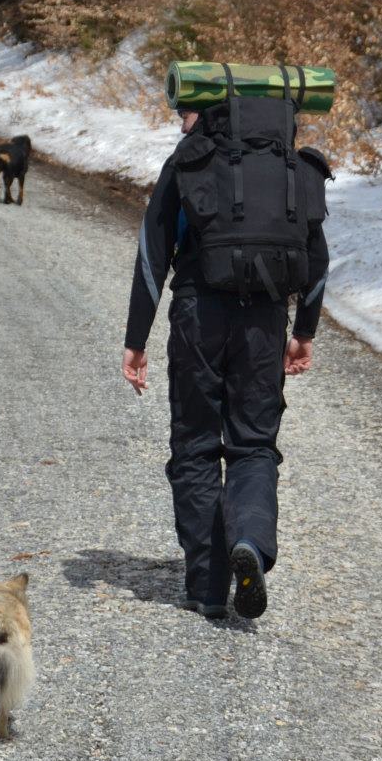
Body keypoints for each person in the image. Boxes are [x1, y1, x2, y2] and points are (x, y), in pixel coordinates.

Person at [123, 98, 330, 621]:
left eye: (183, 113)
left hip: (198, 314)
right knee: (254, 445)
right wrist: (303, 330)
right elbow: (317, 258)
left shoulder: (188, 161)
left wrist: (136, 337)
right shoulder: (293, 166)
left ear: (208, 114)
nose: (180, 123)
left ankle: (208, 586)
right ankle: (250, 542)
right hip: (264, 321)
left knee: (195, 443)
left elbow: (153, 252)